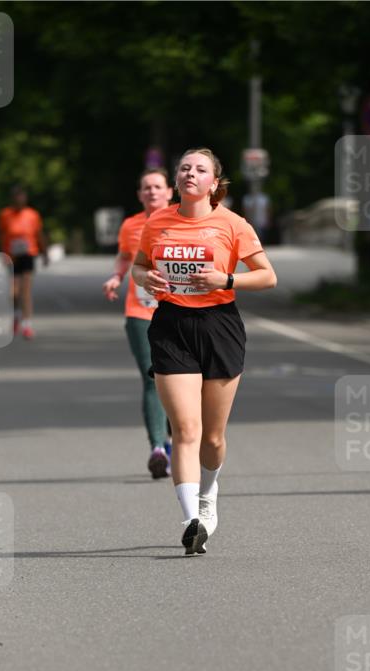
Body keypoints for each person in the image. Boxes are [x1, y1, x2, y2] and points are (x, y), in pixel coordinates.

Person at [132, 147, 277, 555]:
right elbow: (138, 266)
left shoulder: (232, 224)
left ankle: (209, 496)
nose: (189, 173)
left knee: (212, 438)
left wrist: (225, 278)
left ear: (214, 183)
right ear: (176, 179)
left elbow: (268, 276)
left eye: (199, 170)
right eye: (184, 168)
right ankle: (190, 519)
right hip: (171, 326)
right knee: (185, 430)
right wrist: (148, 280)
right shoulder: (157, 221)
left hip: (219, 327)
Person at [103, 168, 173, 478]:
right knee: (152, 377)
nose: (152, 192)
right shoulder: (131, 224)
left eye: (158, 187)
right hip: (140, 311)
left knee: (182, 381)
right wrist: (117, 276)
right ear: (139, 195)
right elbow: (124, 256)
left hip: (179, 310)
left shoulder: (181, 221)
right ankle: (157, 447)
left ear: (169, 192)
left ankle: (175, 440)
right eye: (146, 188)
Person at [0, 186, 47, 339]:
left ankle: (27, 325)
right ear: (13, 199)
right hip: (12, 256)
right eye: (17, 198)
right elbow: (0, 234)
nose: (20, 200)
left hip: (28, 254)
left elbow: (39, 234)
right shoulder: (5, 215)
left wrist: (45, 253)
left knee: (25, 291)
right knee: (14, 292)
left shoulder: (32, 215)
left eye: (22, 197)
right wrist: (3, 253)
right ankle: (16, 315)